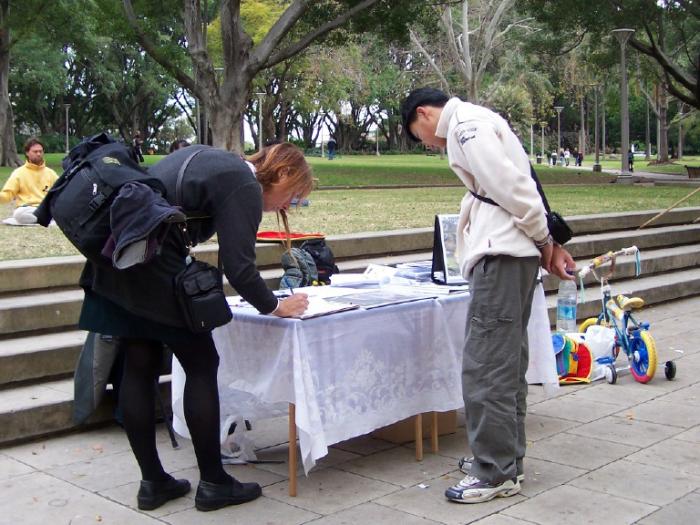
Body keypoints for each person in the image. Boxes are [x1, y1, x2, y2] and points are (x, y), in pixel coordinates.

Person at [77, 142, 312, 512]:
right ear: (282, 173)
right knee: (202, 364)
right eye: (293, 195)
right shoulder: (243, 183)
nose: (288, 206)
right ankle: (214, 483)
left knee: (139, 365)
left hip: (117, 259)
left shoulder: (212, 159)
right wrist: (276, 306)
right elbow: (239, 268)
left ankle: (153, 483)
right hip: (152, 266)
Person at [400, 88, 575, 504]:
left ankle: (494, 470)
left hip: (502, 255)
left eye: (418, 135)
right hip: (512, 253)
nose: (427, 144)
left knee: (487, 367)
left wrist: (545, 239)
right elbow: (523, 182)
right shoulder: (478, 119)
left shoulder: (466, 127)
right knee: (506, 365)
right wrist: (546, 241)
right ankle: (505, 459)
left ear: (423, 114)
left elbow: (514, 188)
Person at [0, 137, 58, 225]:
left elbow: (60, 192)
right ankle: (47, 220)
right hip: (27, 209)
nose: (38, 154)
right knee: (18, 214)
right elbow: (8, 194)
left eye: (40, 151)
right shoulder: (19, 173)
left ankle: (44, 219)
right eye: (35, 151)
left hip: (45, 209)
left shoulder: (51, 173)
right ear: (27, 153)